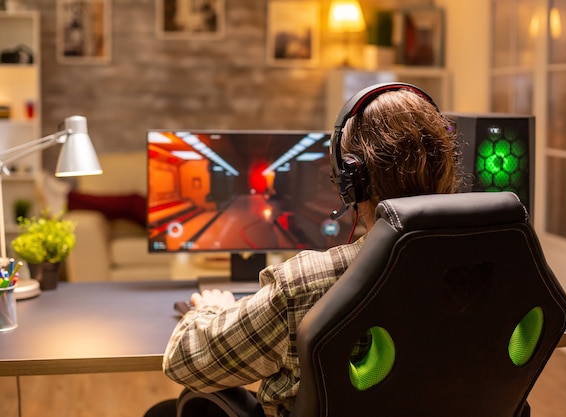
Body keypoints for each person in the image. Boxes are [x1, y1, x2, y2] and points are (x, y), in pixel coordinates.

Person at [144, 82, 462, 417]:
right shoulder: (490, 267)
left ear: (350, 179)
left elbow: (184, 361)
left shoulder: (309, 284)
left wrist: (208, 310)